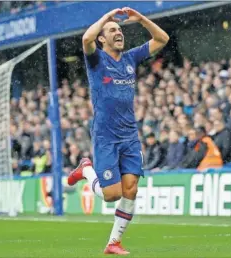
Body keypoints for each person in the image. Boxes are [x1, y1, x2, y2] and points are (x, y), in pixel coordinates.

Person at [67, 7, 169, 255]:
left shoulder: (130, 58)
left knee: (131, 189)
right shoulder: (96, 60)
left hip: (130, 136)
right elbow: (86, 39)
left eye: (120, 30)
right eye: (112, 30)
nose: (118, 33)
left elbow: (162, 39)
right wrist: (105, 18)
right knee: (111, 195)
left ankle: (113, 242)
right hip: (106, 137)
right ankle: (87, 170)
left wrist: (142, 19)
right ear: (103, 38)